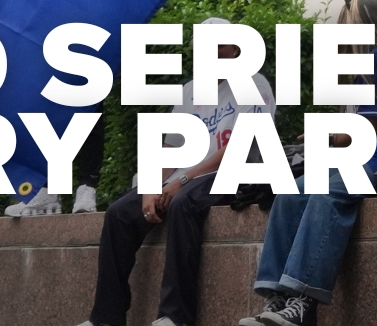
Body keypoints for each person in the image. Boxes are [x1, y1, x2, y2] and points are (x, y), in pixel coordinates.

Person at [79, 18, 276, 326]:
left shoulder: (255, 84)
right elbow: (170, 149)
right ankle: (106, 317)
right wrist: (150, 186)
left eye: (217, 47)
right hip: (183, 178)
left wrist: (181, 180)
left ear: (235, 50)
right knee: (119, 212)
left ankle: (174, 316)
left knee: (184, 203)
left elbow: (239, 147)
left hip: (231, 173)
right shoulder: (189, 91)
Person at [244, 0, 377, 326]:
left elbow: (362, 132)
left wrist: (324, 137)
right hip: (351, 160)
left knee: (325, 191)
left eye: (347, 19)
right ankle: (279, 299)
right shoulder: (359, 69)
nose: (340, 26)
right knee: (290, 192)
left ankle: (301, 301)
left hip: (376, 163)